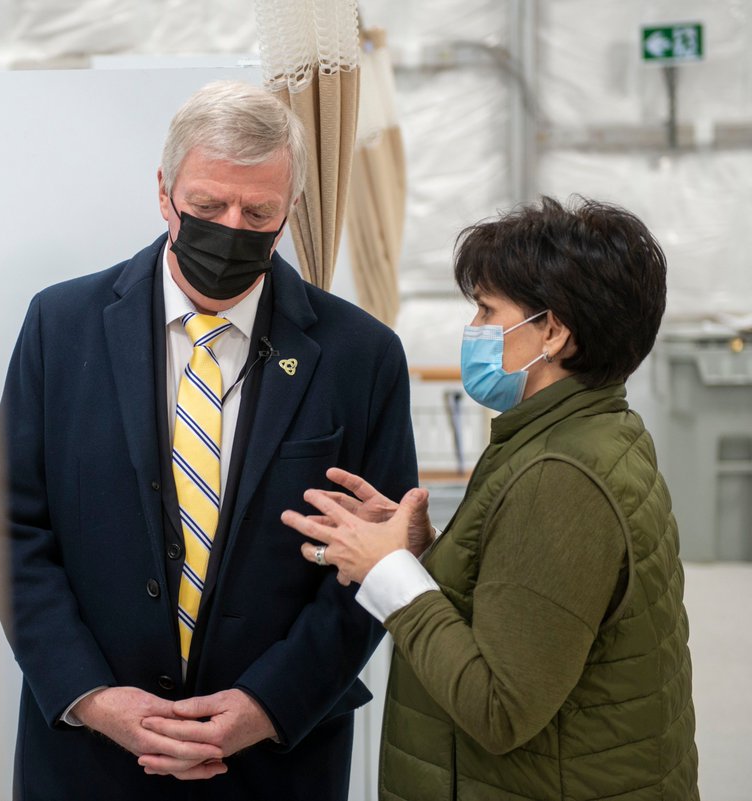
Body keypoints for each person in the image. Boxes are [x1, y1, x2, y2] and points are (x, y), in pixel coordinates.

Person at [0, 80, 418, 800]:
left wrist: (268, 703)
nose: (232, 227)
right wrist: (91, 696)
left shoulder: (360, 357)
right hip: (89, 760)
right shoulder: (63, 327)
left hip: (277, 760)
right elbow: (10, 527)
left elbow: (375, 564)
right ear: (164, 193)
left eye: (259, 211)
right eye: (209, 207)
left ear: (291, 211)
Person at [282, 196, 700, 800]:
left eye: (486, 310)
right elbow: (532, 602)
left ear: (553, 331)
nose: (474, 331)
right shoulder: (589, 432)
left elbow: (499, 707)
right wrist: (424, 552)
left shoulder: (560, 477)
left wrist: (390, 574)